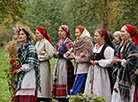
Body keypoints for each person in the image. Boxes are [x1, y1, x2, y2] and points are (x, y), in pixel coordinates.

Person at [85, 29, 114, 102]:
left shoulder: (107, 48)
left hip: (102, 73)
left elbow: (111, 61)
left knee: (100, 89)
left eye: (97, 36)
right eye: (94, 36)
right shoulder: (95, 46)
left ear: (103, 37)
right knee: (91, 88)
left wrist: (98, 62)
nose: (94, 37)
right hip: (93, 71)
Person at [13, 26, 41, 102]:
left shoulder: (31, 48)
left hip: (29, 75)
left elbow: (31, 64)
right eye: (19, 34)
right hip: (21, 74)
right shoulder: (20, 48)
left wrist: (20, 69)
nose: (20, 36)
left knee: (25, 94)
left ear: (27, 36)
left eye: (22, 34)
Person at [111, 24, 138, 102]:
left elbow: (133, 61)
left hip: (127, 75)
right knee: (118, 94)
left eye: (123, 31)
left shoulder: (133, 45)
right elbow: (118, 55)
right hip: (120, 72)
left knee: (129, 95)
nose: (121, 33)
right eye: (121, 31)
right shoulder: (122, 44)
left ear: (129, 33)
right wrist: (116, 59)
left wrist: (120, 61)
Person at [67, 25, 93, 95]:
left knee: (78, 85)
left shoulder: (87, 42)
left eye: (78, 32)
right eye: (75, 33)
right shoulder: (76, 42)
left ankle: (73, 97)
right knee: (78, 85)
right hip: (77, 67)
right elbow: (73, 52)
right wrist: (69, 54)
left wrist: (75, 57)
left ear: (82, 33)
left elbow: (87, 57)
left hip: (83, 68)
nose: (76, 35)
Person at [52, 25, 74, 102]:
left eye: (62, 31)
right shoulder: (59, 42)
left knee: (64, 80)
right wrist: (54, 54)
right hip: (59, 63)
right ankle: (59, 97)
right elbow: (57, 53)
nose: (59, 33)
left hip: (65, 64)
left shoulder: (68, 42)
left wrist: (60, 54)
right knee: (58, 80)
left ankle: (65, 97)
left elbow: (70, 55)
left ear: (66, 32)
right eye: (59, 31)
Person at [35, 26, 54, 102]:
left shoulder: (46, 43)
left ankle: (45, 96)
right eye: (36, 33)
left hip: (44, 66)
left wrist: (40, 57)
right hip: (38, 66)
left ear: (42, 34)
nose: (36, 35)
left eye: (38, 33)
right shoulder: (37, 43)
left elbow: (50, 54)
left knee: (44, 81)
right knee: (39, 81)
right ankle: (39, 96)